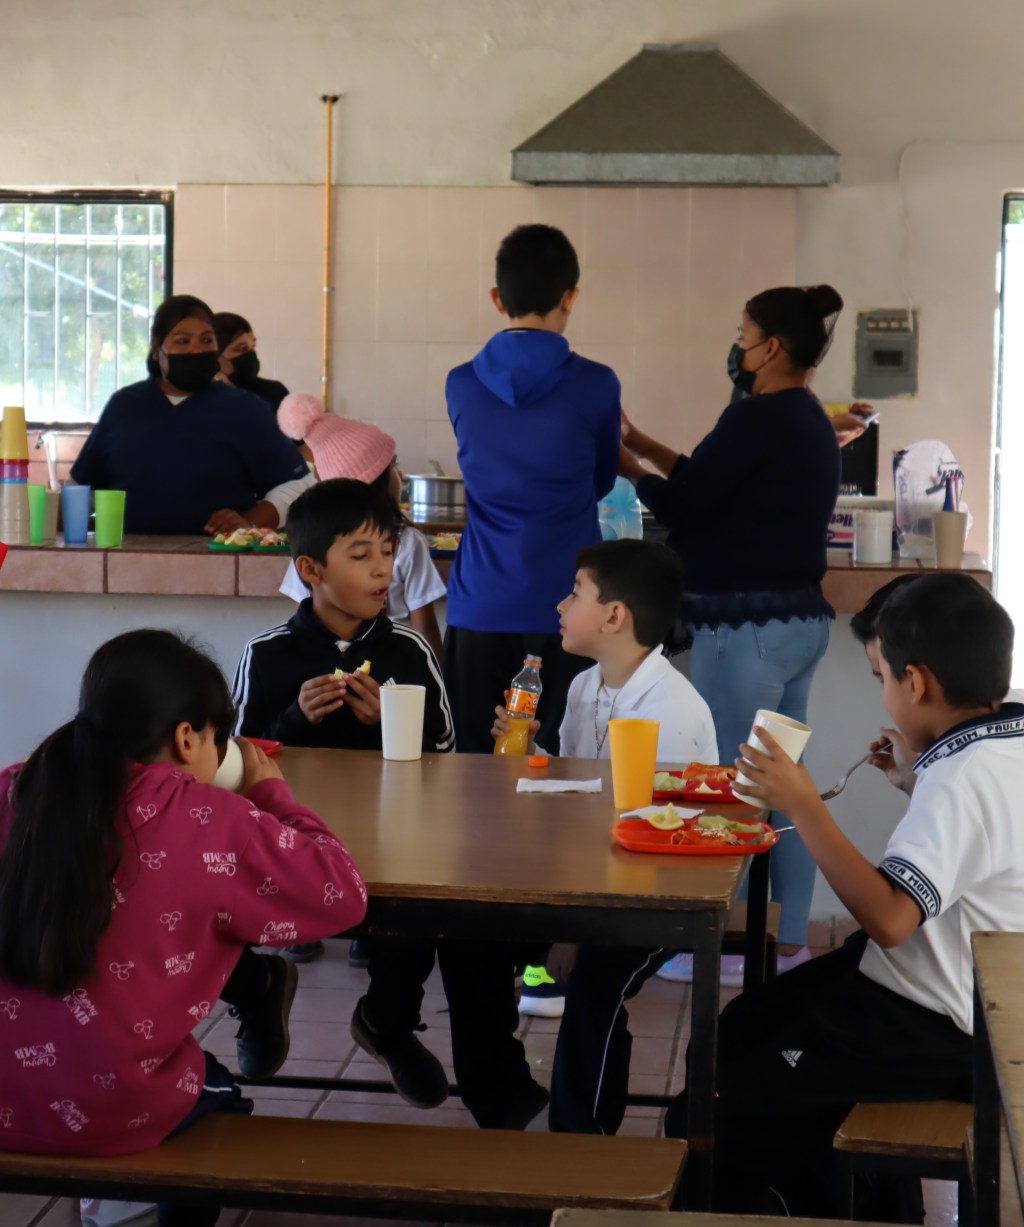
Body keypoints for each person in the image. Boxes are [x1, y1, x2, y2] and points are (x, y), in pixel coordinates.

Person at [665, 574, 1024, 1220]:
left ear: (916, 683)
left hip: (937, 1022)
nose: (884, 697)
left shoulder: (961, 775)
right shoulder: (1001, 742)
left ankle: (797, 1200)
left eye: (882, 677)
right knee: (739, 1028)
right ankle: (862, 1196)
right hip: (964, 997)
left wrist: (802, 804)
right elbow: (989, 844)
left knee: (722, 1093)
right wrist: (913, 780)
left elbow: (889, 917)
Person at [0, 629, 366, 1227]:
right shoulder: (209, 817)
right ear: (188, 736)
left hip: (5, 1099)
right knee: (224, 1107)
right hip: (110, 1110)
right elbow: (342, 895)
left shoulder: (20, 786)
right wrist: (270, 792)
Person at [232, 479, 547, 1129]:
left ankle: (389, 1021)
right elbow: (233, 767)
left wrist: (388, 725)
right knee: (197, 886)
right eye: (361, 554)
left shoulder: (409, 650)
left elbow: (450, 762)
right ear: (311, 570)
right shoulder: (268, 655)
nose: (382, 570)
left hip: (395, 843)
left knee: (429, 910)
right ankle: (256, 993)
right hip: (292, 847)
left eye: (388, 552)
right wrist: (291, 720)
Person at [620, 284, 843, 984]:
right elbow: (709, 481)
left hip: (744, 630)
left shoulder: (755, 416)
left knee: (729, 789)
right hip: (799, 623)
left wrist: (625, 470)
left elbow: (687, 502)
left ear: (771, 347)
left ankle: (716, 942)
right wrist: (640, 443)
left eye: (742, 333)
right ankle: (790, 937)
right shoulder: (803, 415)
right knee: (787, 786)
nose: (735, 344)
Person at [490, 540, 717, 1128]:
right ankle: (508, 1101)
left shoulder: (671, 708)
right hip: (595, 874)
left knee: (595, 984)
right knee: (472, 939)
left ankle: (578, 1141)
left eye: (575, 593)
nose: (561, 605)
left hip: (663, 887)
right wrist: (527, 753)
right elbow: (576, 794)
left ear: (615, 616)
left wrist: (575, 930)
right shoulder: (586, 687)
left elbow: (646, 833)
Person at [444, 223, 621, 753]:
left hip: (480, 603)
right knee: (564, 766)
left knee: (472, 772)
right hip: (569, 608)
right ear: (571, 297)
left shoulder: (461, 382)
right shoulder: (596, 383)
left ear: (498, 298)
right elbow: (602, 480)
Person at [70, 295, 315, 536]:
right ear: (157, 350)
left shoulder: (245, 410)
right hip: (125, 559)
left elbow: (297, 485)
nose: (197, 350)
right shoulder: (124, 407)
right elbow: (80, 490)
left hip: (218, 559)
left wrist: (248, 524)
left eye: (207, 340)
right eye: (183, 341)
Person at [275, 393, 445, 662]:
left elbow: (301, 619)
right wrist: (439, 685)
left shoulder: (313, 540)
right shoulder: (407, 541)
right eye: (392, 466)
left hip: (327, 670)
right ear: (376, 481)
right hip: (395, 675)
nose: (398, 475)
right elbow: (425, 627)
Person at [213, 311, 290, 412]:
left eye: (253, 346)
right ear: (215, 356)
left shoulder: (275, 392)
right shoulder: (199, 399)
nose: (251, 354)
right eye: (241, 348)